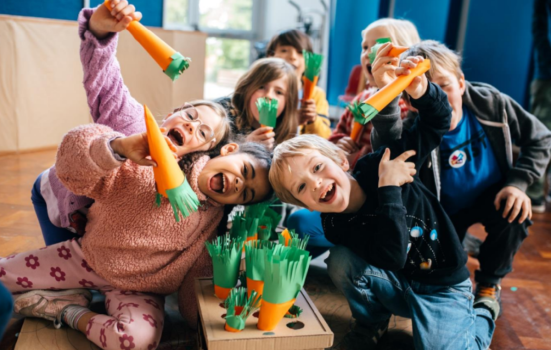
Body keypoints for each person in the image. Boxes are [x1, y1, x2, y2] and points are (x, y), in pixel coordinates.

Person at [268, 56, 495, 349]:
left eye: (317, 167)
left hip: (443, 286)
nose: (316, 183)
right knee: (340, 261)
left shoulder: (384, 160)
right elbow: (390, 258)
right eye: (302, 187)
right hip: (397, 280)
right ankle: (372, 321)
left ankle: (484, 312)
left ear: (340, 159)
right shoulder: (333, 223)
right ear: (305, 204)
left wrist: (422, 90)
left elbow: (439, 120)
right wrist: (389, 187)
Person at [2, 123, 273, 350]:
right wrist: (117, 147)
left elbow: (194, 288)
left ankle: (64, 309)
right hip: (85, 259)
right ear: (228, 149)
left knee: (137, 340)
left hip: (139, 289)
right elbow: (74, 161)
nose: (240, 183)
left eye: (246, 193)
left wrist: (208, 315)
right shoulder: (150, 166)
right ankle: (71, 293)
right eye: (245, 172)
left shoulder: (209, 228)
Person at [370, 40, 551, 314]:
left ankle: (490, 283)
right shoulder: (417, 127)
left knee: (516, 214)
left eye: (444, 86)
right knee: (432, 268)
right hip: (443, 211)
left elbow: (540, 139)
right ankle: (462, 243)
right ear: (412, 100)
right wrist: (387, 97)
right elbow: (386, 155)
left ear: (462, 83)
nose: (440, 97)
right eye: (427, 92)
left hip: (494, 194)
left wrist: (519, 183)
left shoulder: (492, 103)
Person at [33, 1, 232, 246]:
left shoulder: (188, 178)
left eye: (202, 132)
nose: (192, 126)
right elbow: (105, 79)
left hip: (99, 221)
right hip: (59, 194)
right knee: (64, 261)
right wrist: (99, 31)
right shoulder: (130, 120)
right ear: (174, 112)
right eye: (190, 117)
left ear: (203, 151)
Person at [287, 18, 421, 258]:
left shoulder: (406, 107)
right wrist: (338, 145)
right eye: (364, 47)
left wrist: (356, 155)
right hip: (342, 193)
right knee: (298, 223)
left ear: (405, 53)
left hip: (382, 203)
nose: (368, 53)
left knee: (311, 228)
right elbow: (336, 134)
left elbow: (392, 155)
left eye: (379, 45)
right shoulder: (360, 100)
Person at [215, 57, 299, 151]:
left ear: (288, 103)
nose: (269, 96)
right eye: (262, 87)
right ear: (247, 88)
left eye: (279, 92)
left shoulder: (285, 138)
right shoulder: (222, 112)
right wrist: (245, 146)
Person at [266, 29, 332, 138]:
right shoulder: (266, 92)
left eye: (300, 52)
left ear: (309, 61)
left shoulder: (317, 94)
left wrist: (313, 119)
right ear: (270, 56)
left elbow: (325, 137)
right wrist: (291, 121)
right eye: (284, 50)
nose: (292, 56)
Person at [526, 0, 551, 213]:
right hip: (546, 77)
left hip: (547, 79)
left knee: (542, 134)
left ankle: (534, 194)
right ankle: (536, 192)